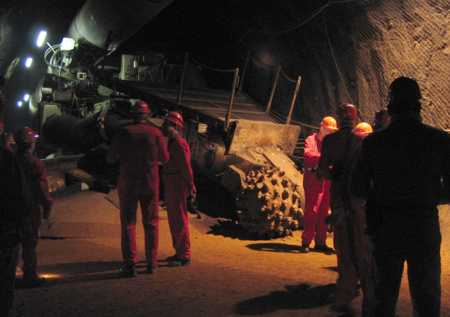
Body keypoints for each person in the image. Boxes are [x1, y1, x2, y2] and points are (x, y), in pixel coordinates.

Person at [351, 77, 450, 317]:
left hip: (386, 226)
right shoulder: (440, 140)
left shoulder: (374, 143)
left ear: (391, 104)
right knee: (426, 300)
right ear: (418, 104)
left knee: (381, 301)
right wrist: (425, 197)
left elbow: (358, 188)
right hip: (423, 225)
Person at [108, 100, 169, 276]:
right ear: (147, 115)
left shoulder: (123, 133)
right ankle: (152, 264)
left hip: (128, 184)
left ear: (132, 115)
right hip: (150, 183)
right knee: (151, 224)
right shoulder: (156, 133)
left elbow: (110, 158)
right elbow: (165, 159)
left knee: (128, 224)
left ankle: (130, 265)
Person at [317, 103, 361, 313]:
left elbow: (323, 171)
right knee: (361, 243)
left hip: (339, 197)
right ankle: (363, 288)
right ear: (356, 117)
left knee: (343, 245)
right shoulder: (361, 143)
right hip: (358, 198)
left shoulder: (330, 141)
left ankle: (346, 290)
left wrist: (336, 176)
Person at [14, 127, 53, 287]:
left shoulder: (9, 160)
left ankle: (9, 273)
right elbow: (41, 189)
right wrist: (47, 206)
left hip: (11, 208)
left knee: (12, 242)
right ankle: (29, 276)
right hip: (29, 209)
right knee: (29, 243)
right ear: (30, 144)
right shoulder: (35, 163)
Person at [162, 112, 196, 266]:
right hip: (173, 182)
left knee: (179, 220)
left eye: (167, 124)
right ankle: (179, 252)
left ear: (175, 126)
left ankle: (184, 255)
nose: (163, 126)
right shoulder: (173, 142)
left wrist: (191, 186)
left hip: (177, 184)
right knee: (175, 219)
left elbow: (186, 168)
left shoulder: (179, 143)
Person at [300, 116, 337, 253]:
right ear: (321, 128)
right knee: (312, 211)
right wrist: (324, 158)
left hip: (327, 180)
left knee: (324, 212)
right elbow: (308, 154)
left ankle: (320, 242)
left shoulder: (332, 143)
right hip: (313, 179)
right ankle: (306, 241)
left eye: (332, 131)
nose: (330, 133)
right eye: (328, 130)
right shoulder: (311, 140)